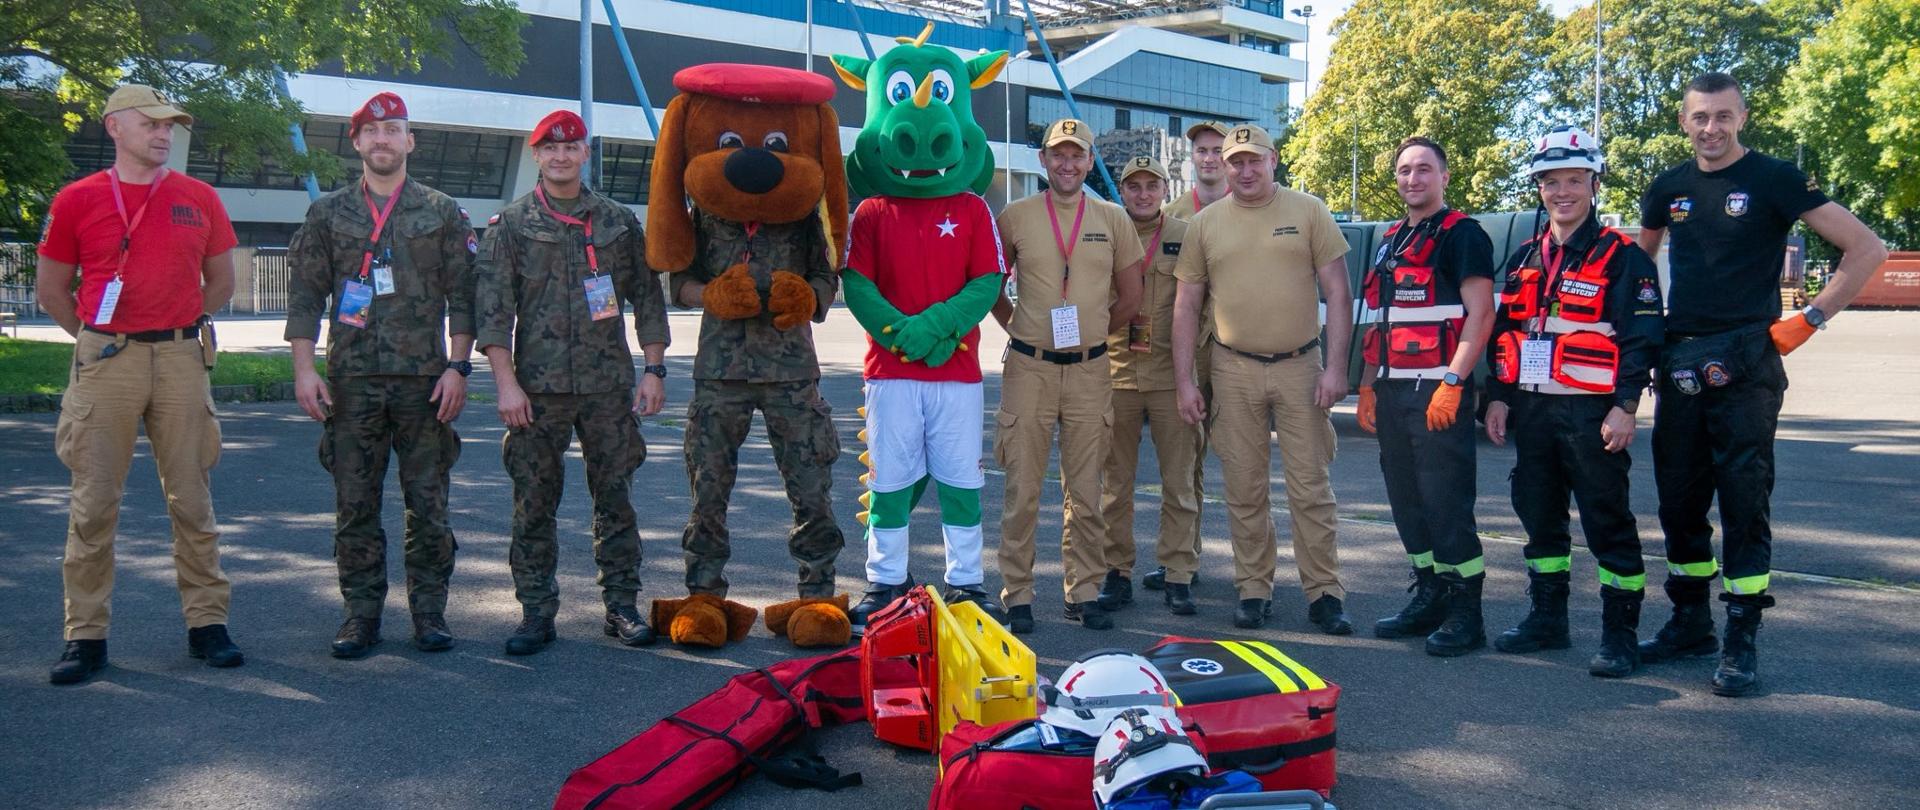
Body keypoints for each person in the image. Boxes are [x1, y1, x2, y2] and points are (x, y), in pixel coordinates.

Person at [1637, 72, 1887, 696]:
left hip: (1748, 361)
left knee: (1744, 502)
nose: (1712, 128)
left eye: (1724, 116)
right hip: (1680, 362)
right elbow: (1639, 271)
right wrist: (1638, 343)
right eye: (1701, 117)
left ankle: (1741, 635)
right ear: (1683, 120)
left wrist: (1809, 319)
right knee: (1678, 500)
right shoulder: (1667, 187)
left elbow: (1867, 249)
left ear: (1742, 117)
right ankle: (1690, 621)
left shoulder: (1774, 178)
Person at [35, 84, 243, 684]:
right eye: (150, 123)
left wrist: (176, 324)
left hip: (180, 358)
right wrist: (100, 337)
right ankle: (86, 637)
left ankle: (208, 625)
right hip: (108, 361)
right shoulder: (76, 199)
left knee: (192, 500)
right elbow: (52, 291)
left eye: (170, 125)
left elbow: (221, 284)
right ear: (114, 128)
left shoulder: (198, 197)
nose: (163, 133)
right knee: (94, 505)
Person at [285, 92, 478, 658]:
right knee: (355, 505)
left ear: (410, 141)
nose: (383, 139)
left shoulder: (442, 211)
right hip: (352, 384)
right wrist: (304, 370)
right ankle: (360, 615)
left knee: (429, 503)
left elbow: (464, 295)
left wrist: (460, 367)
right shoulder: (329, 213)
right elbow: (304, 297)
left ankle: (430, 613)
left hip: (425, 384)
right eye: (372, 131)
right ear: (357, 143)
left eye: (394, 129)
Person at [475, 110, 669, 656]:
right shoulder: (511, 225)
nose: (561, 155)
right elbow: (494, 312)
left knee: (616, 498)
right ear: (536, 155)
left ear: (586, 153)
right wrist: (506, 385)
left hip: (608, 387)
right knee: (534, 503)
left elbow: (647, 299)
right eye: (549, 147)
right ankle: (536, 612)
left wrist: (654, 368)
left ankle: (621, 606)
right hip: (536, 392)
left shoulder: (616, 222)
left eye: (572, 146)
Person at [1484, 125, 1665, 677]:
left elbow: (1641, 338)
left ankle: (1620, 635)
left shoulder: (1622, 257)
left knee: (1607, 521)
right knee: (1539, 517)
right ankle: (1548, 620)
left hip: (1592, 412)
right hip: (1534, 410)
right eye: (1550, 181)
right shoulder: (1522, 257)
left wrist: (1626, 405)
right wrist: (1497, 398)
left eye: (1574, 180)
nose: (1562, 191)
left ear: (1593, 183)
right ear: (1538, 187)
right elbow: (1502, 331)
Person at [1171, 123, 1354, 634]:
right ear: (1223, 167)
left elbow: (1337, 293)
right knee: (1244, 488)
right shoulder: (1206, 224)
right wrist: (1185, 380)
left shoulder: (1309, 211)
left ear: (1274, 160)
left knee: (1310, 487)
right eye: (1236, 162)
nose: (1245, 170)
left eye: (1255, 160)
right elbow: (1186, 305)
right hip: (1233, 368)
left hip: (1301, 366)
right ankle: (1253, 587)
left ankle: (1324, 592)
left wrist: (1336, 368)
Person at [991, 118, 1145, 632]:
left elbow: (1131, 297)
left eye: (1077, 155)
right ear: (1043, 160)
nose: (1068, 163)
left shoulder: (1112, 218)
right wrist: (1022, 329)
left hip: (1090, 370)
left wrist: (1094, 334)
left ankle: (1083, 590)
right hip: (1029, 369)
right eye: (1058, 154)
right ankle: (1018, 593)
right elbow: (992, 285)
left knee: (1085, 488)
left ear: (1089, 159)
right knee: (1023, 488)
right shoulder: (1015, 216)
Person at [1357, 137, 1497, 656]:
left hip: (1438, 389)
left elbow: (1480, 316)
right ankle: (1430, 595)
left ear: (1443, 176)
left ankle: (1467, 612)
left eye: (1423, 170)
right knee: (1407, 503)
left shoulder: (1464, 235)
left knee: (1445, 504)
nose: (1412, 179)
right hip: (1393, 390)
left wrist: (1455, 384)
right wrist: (1368, 385)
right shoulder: (1390, 239)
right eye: (1404, 171)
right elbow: (1379, 322)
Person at [1096, 155, 1200, 616]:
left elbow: (1202, 302)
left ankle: (1178, 573)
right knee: (1115, 485)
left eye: (1151, 186)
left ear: (1163, 189)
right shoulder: (1106, 232)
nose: (1142, 194)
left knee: (1178, 482)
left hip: (1169, 376)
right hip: (1114, 373)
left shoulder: (1185, 234)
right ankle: (1116, 572)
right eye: (1133, 186)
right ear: (1122, 190)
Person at [1140, 120, 1230, 594]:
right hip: (1189, 351)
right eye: (1203, 151)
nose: (1211, 158)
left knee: (1241, 462)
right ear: (1190, 158)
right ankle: (1183, 560)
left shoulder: (1250, 207)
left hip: (1237, 349)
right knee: (1185, 461)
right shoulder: (1171, 215)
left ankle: (1255, 569)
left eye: (1218, 150)